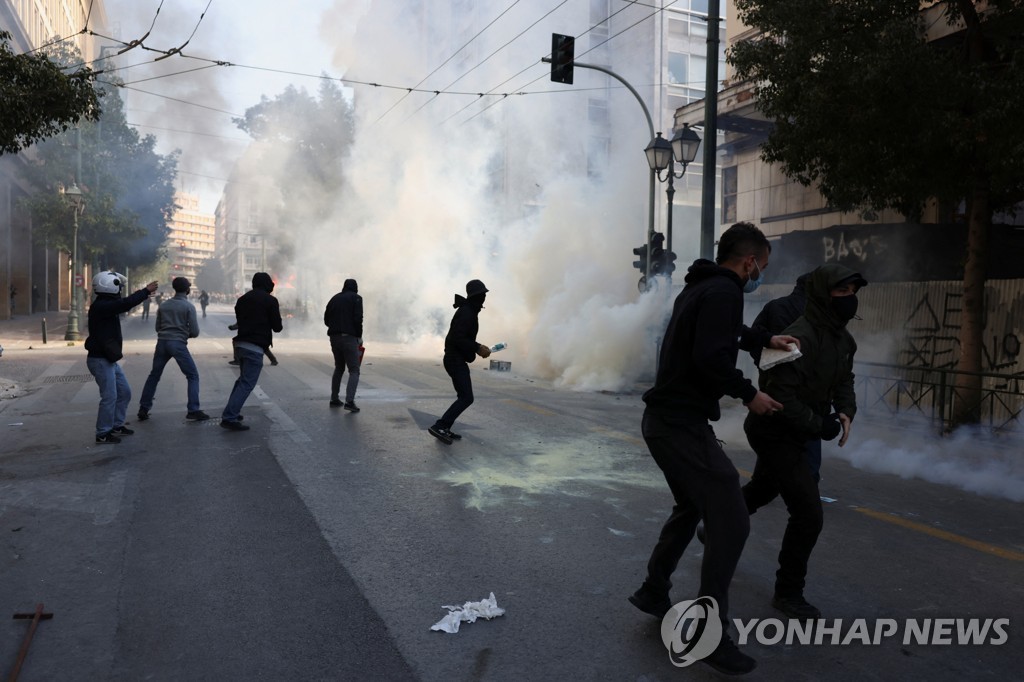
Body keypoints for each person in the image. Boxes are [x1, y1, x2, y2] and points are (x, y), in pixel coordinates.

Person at [628, 222, 798, 676]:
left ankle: (653, 589)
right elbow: (711, 356)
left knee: (690, 505)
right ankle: (709, 635)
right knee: (732, 519)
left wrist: (763, 339)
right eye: (762, 265)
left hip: (665, 422)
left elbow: (722, 332)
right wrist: (750, 394)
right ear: (750, 261)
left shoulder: (703, 286)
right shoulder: (724, 292)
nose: (760, 272)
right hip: (679, 424)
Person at [741, 264, 865, 621]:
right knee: (808, 513)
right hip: (774, 430)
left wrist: (845, 410)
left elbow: (845, 378)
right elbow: (776, 393)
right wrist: (817, 424)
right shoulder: (797, 336)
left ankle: (718, 522)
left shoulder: (844, 339)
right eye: (841, 293)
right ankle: (788, 593)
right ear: (823, 295)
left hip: (801, 431)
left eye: (853, 292)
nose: (849, 300)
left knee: (764, 489)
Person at [750, 272, 826, 481]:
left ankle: (764, 482)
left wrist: (765, 370)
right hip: (808, 392)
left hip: (774, 388)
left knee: (772, 437)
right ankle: (808, 482)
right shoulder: (820, 314)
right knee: (807, 436)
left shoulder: (775, 307)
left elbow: (755, 341)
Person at [84, 272, 158, 444]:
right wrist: (145, 291)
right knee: (109, 397)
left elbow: (123, 304)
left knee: (124, 392)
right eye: (119, 286)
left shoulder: (106, 304)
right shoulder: (102, 306)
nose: (120, 290)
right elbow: (125, 304)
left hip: (108, 359)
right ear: (110, 285)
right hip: (100, 359)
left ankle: (116, 425)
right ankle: (103, 432)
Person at [136, 277, 209, 422]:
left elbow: (158, 328)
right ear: (188, 290)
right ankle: (193, 410)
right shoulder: (188, 307)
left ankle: (143, 408)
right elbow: (195, 332)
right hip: (178, 344)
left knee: (154, 375)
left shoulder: (164, 306)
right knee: (192, 375)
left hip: (162, 342)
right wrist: (183, 333)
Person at [428, 279, 492, 444]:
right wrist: (477, 348)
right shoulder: (467, 312)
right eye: (481, 295)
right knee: (466, 397)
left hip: (455, 359)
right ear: (474, 296)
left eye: (484, 294)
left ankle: (445, 427)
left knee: (464, 396)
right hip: (454, 359)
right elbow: (457, 338)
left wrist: (477, 348)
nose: (483, 298)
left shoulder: (469, 310)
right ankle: (440, 426)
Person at [220, 272, 282, 431]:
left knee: (242, 380)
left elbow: (240, 320)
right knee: (247, 383)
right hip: (254, 346)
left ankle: (233, 411)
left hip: (240, 345)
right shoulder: (270, 301)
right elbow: (277, 327)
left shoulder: (242, 299)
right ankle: (229, 417)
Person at [324, 278, 363, 412]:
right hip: (349, 338)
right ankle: (349, 401)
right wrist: (358, 336)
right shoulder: (356, 298)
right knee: (354, 370)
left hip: (334, 337)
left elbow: (326, 319)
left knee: (339, 367)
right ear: (355, 288)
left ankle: (334, 398)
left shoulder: (334, 298)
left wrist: (336, 327)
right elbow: (358, 319)